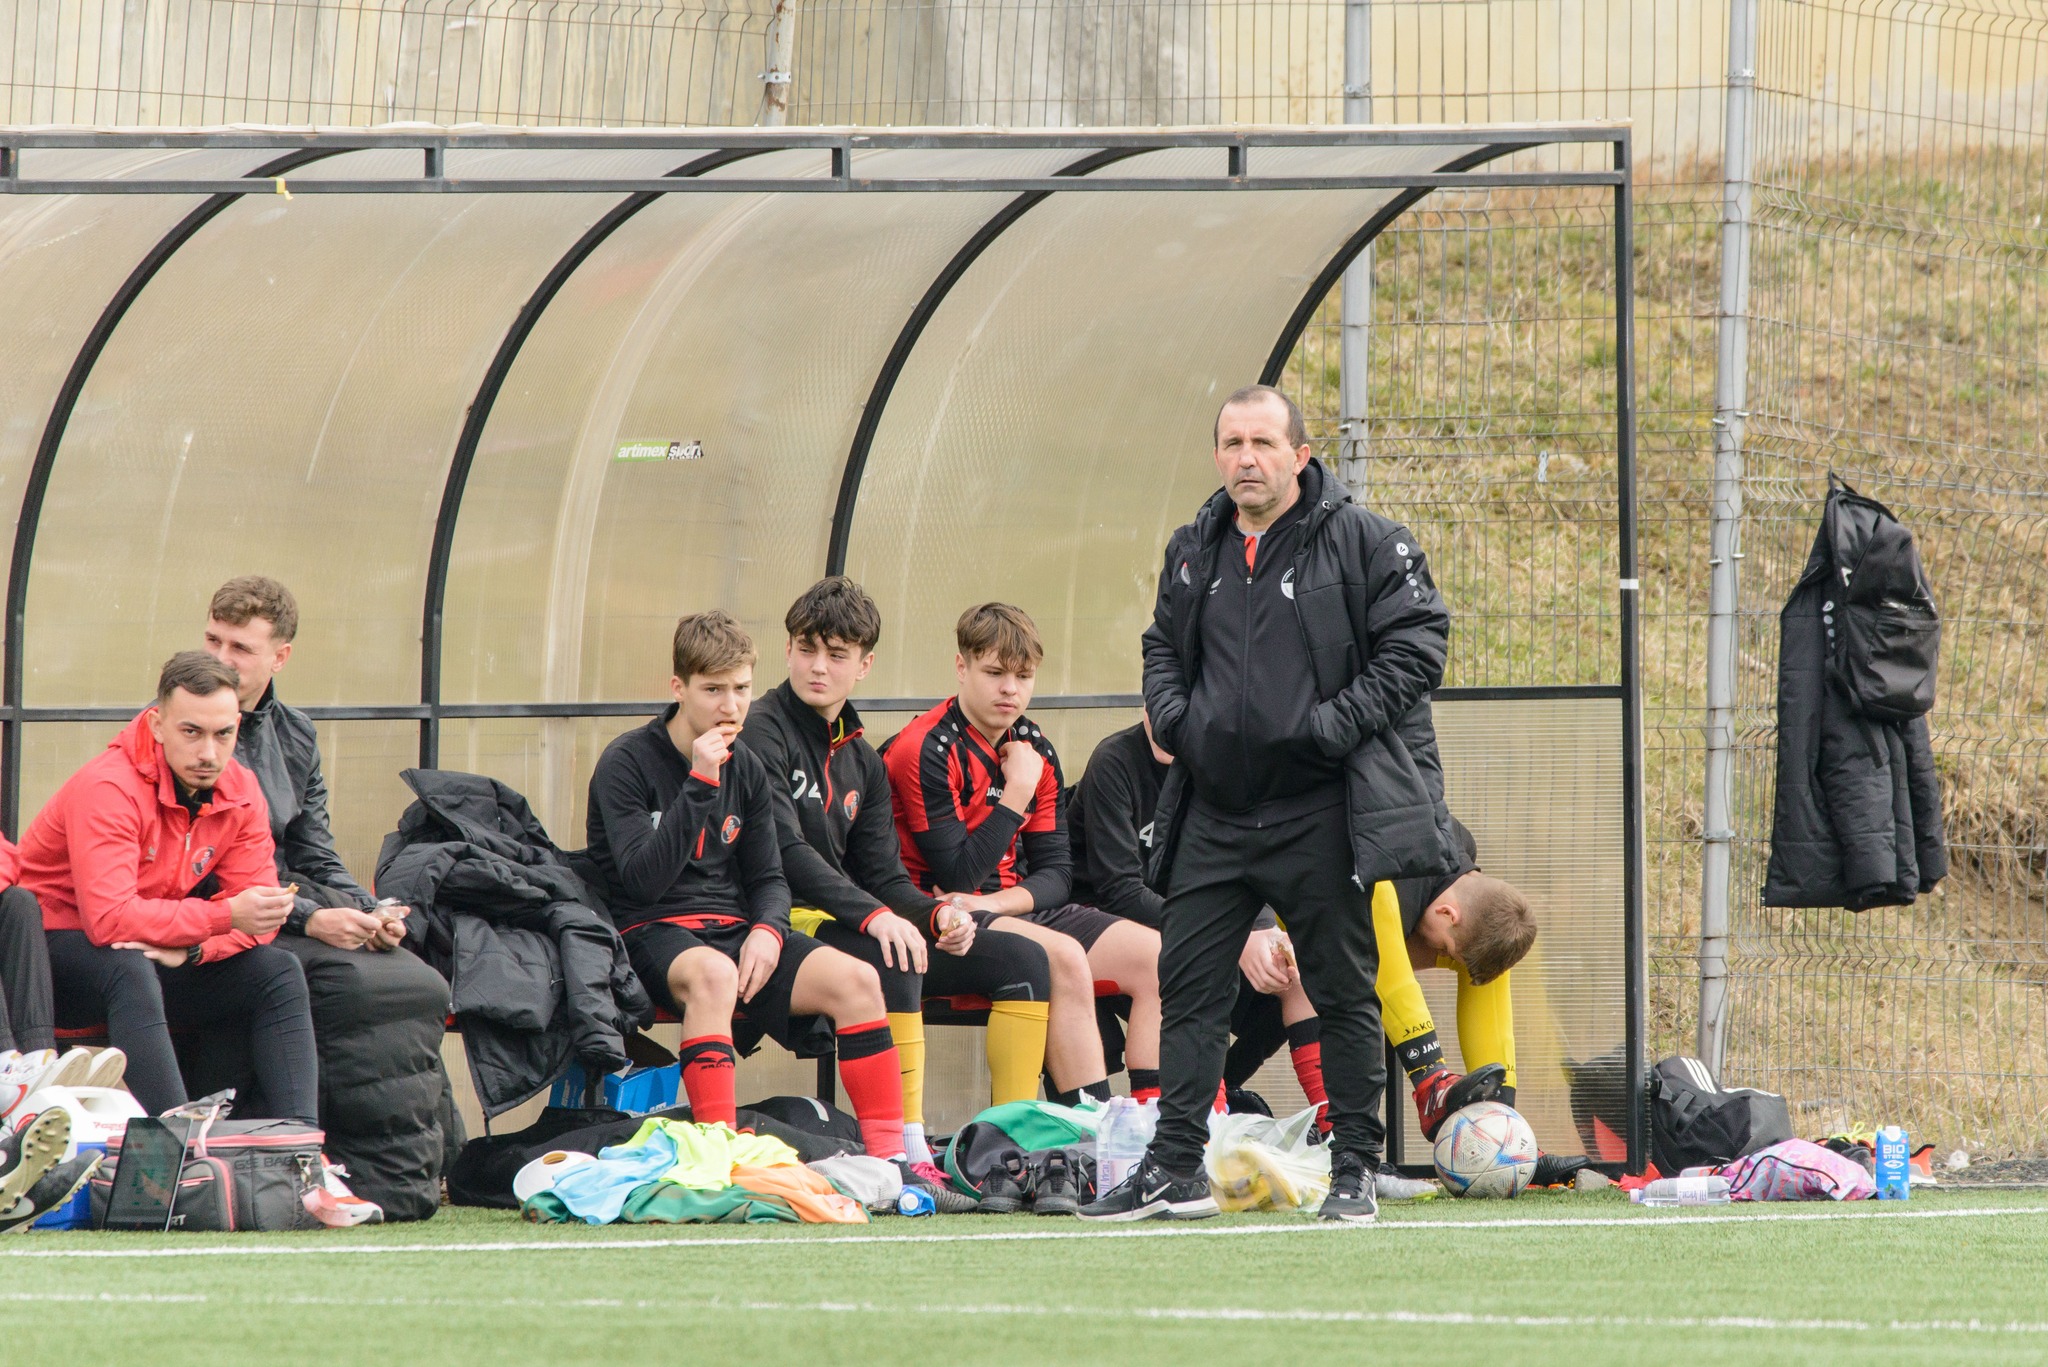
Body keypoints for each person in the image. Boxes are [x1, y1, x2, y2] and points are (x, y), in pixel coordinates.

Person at [1080, 383, 1458, 1225]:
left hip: (1319, 808)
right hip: (1214, 808)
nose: (1246, 458)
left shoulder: (1363, 541)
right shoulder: (1194, 548)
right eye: (1232, 443)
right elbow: (1160, 647)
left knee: (1341, 987)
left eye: (1263, 442)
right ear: (1218, 456)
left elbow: (1420, 641)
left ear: (1300, 455)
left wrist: (1331, 727)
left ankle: (1356, 1166)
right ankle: (1175, 1167)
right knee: (1188, 989)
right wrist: (1179, 721)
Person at [586, 611, 932, 1195]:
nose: (730, 706)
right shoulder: (627, 761)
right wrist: (698, 782)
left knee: (859, 981)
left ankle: (890, 1163)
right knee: (715, 976)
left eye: (742, 689)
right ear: (679, 689)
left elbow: (770, 875)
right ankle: (720, 1164)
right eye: (712, 689)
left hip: (738, 930)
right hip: (652, 929)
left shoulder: (745, 762)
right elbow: (643, 881)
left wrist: (769, 931)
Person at [741, 578, 1058, 1184]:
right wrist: (880, 917)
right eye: (807, 649)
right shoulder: (762, 730)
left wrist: (936, 916)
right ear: (787, 651)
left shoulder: (861, 755)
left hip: (845, 918)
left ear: (865, 665)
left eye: (837, 655)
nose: (818, 667)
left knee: (1022, 960)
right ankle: (908, 1153)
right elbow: (786, 852)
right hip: (773, 918)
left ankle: (1012, 1151)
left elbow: (884, 874)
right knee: (896, 956)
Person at [202, 575, 455, 1219]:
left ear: (280, 657)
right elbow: (211, 867)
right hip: (232, 912)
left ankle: (411, 1177)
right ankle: (324, 1168)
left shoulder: (297, 733)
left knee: (419, 978)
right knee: (349, 982)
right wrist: (317, 918)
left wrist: (369, 911)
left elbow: (316, 851)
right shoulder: (192, 729)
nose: (222, 658)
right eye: (214, 640)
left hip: (290, 900)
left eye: (241, 648)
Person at [881, 603, 1163, 1108]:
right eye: (994, 673)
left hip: (1001, 907)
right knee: (1065, 957)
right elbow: (960, 873)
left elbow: (1057, 874)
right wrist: (1017, 793)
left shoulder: (1034, 746)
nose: (1010, 689)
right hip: (937, 912)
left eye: (1023, 676)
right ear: (962, 668)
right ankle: (1087, 1132)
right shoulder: (923, 747)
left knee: (1162, 956)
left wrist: (999, 905)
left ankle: (1153, 1126)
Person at [22, 652, 317, 1123]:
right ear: (158, 726)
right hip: (48, 960)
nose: (208, 753)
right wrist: (220, 918)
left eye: (224, 734)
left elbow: (261, 912)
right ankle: (177, 1151)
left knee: (277, 971)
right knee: (127, 966)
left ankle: (301, 1155)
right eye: (191, 732)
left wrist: (198, 950)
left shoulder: (239, 788)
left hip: (154, 947)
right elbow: (110, 920)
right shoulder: (108, 787)